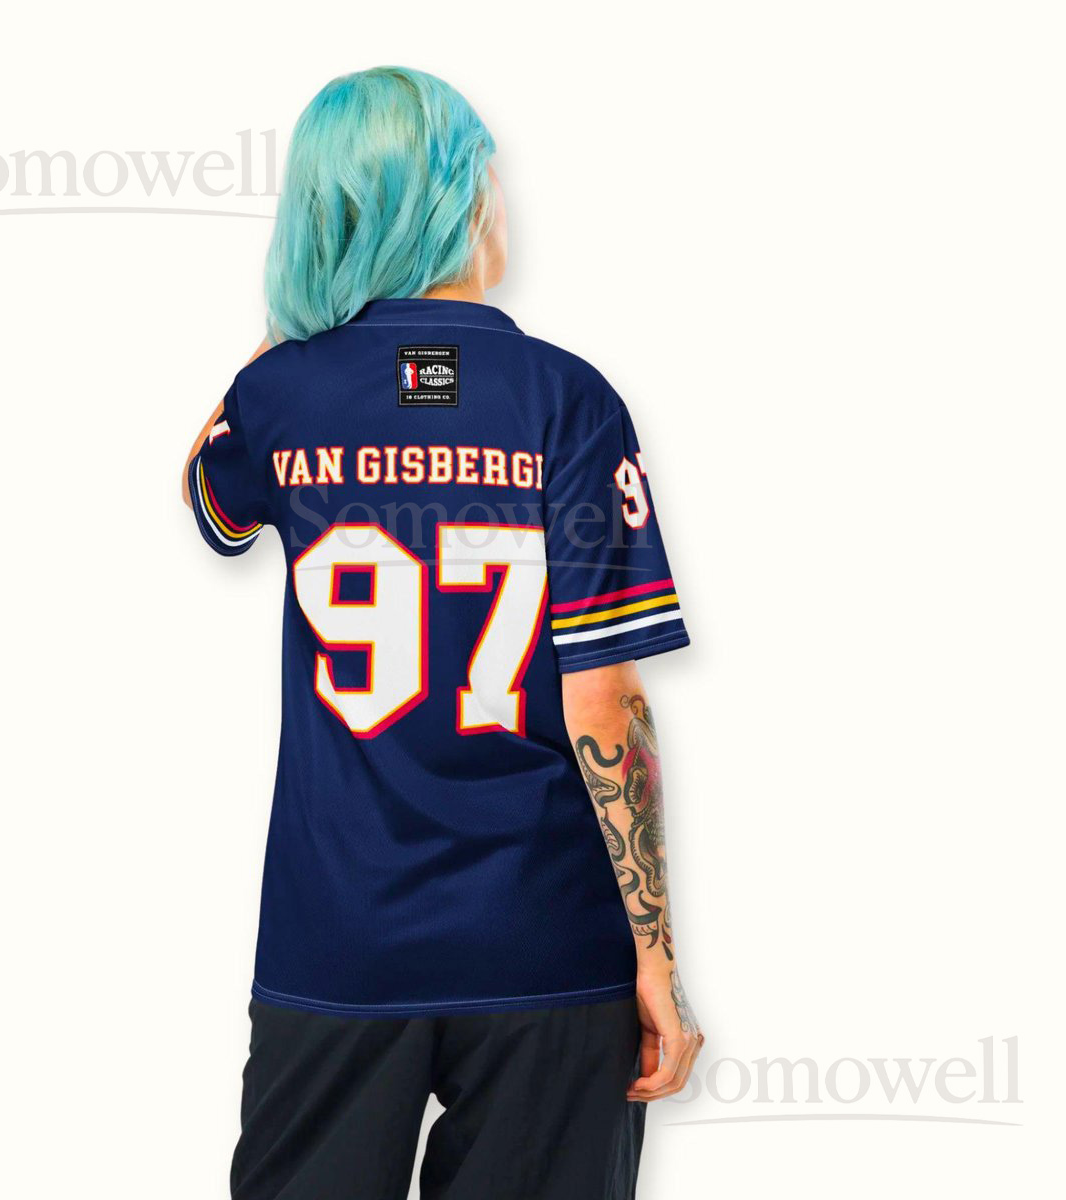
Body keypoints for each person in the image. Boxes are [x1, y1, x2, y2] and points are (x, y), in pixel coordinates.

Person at [183, 66, 703, 1200]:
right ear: (456, 196)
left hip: (338, 939)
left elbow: (212, 506)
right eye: (486, 170)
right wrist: (656, 956)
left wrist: (288, 340)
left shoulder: (280, 396)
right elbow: (605, 697)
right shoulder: (571, 400)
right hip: (546, 941)